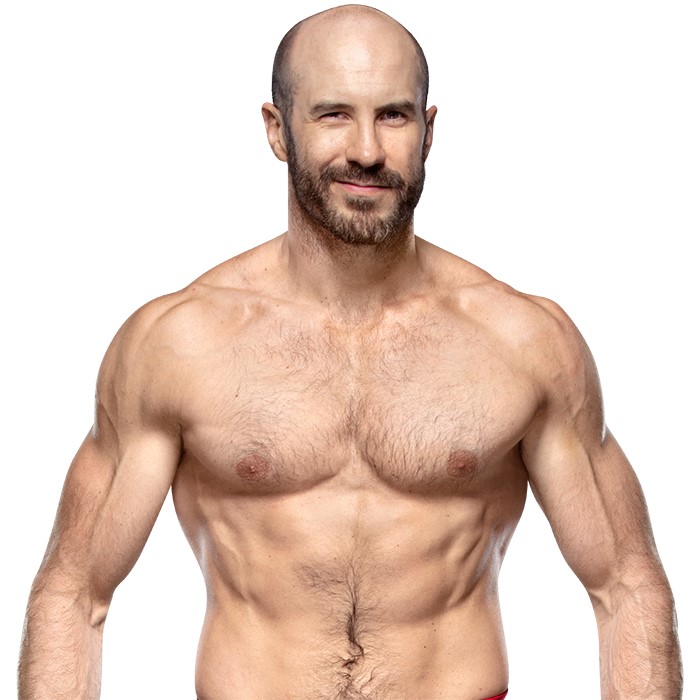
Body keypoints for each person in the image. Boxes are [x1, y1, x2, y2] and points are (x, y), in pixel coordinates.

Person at [18, 4, 682, 699]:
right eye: (334, 114)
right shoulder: (178, 344)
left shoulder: (524, 341)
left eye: (393, 116)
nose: (366, 149)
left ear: (428, 132)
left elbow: (626, 584)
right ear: (278, 130)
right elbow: (75, 591)